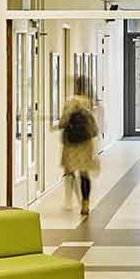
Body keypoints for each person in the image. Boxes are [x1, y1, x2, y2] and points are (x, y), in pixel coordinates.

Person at [58, 76, 102, 215]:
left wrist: (61, 124)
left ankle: (69, 200)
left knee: (69, 171)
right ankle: (85, 203)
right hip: (85, 142)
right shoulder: (88, 102)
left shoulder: (71, 101)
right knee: (84, 174)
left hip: (71, 143)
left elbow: (63, 121)